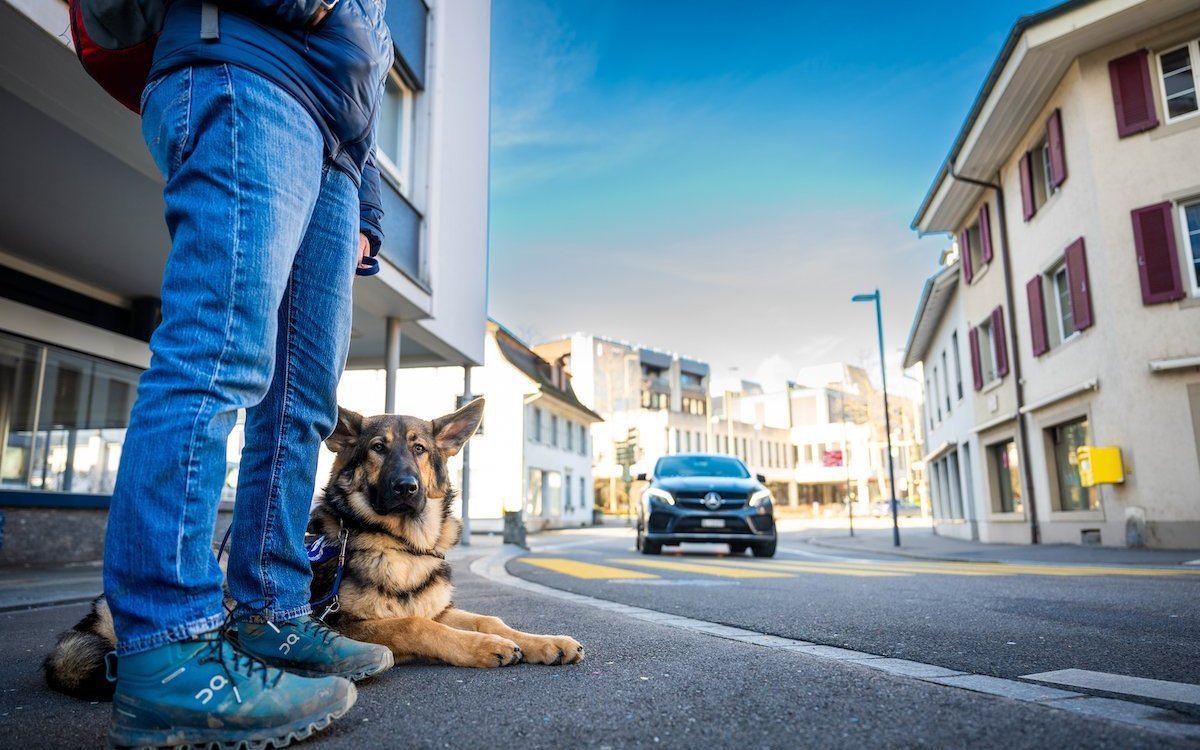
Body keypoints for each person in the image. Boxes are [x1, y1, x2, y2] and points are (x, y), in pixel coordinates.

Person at [102, 1, 395, 747]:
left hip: (334, 146)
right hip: (249, 71)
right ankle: (166, 651)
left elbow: (370, 75)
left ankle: (272, 612)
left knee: (302, 406)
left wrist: (365, 202)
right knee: (216, 355)